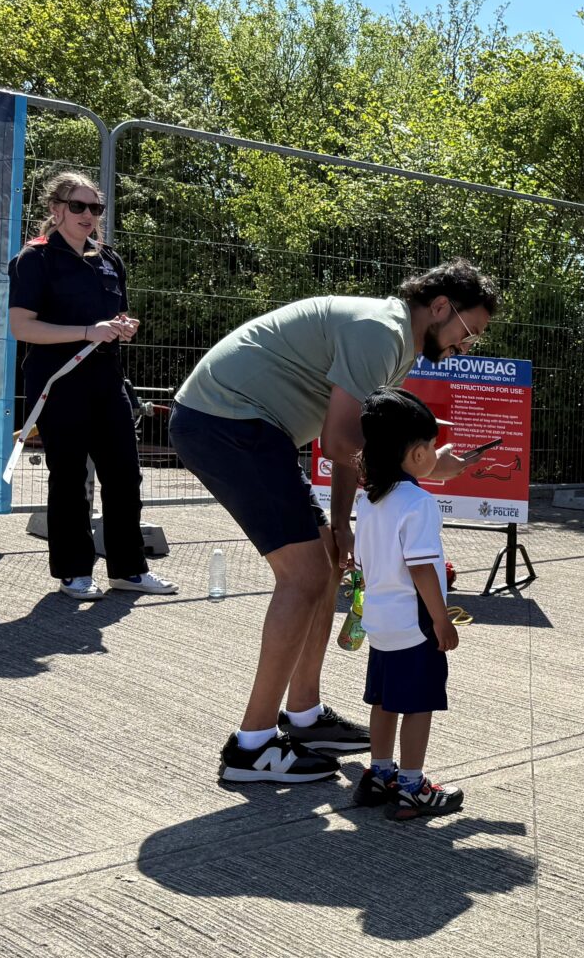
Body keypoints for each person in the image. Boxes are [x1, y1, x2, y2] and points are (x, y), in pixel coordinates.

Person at [169, 260, 494, 784]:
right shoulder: (382, 334)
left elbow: (347, 440)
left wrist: (341, 522)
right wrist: (430, 468)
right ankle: (251, 746)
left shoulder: (396, 342)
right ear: (439, 308)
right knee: (304, 577)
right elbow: (346, 444)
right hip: (228, 421)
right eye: (467, 330)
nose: (466, 344)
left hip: (248, 426)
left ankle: (303, 717)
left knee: (325, 563)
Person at [7, 172, 175, 601]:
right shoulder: (35, 259)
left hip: (107, 379)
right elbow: (22, 327)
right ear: (55, 209)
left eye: (95, 208)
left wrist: (122, 327)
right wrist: (87, 330)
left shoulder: (109, 259)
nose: (88, 216)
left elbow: (113, 319)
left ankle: (129, 569)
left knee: (125, 475)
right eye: (78, 206)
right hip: (59, 383)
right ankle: (75, 571)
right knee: (69, 478)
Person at [348, 388, 465, 819]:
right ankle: (413, 785)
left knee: (384, 700)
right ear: (416, 454)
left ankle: (379, 773)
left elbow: (361, 562)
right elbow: (420, 569)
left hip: (379, 622)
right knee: (418, 704)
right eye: (433, 447)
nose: (436, 453)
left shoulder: (370, 500)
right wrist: (442, 620)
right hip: (415, 625)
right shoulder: (419, 502)